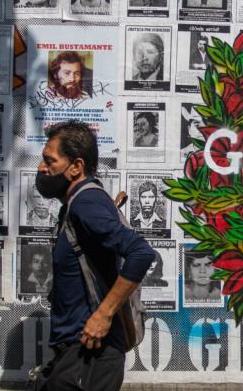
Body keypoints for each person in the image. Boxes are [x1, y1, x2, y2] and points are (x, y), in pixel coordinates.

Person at [34, 121, 153, 389]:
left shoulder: (86, 202)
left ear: (76, 166)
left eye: (49, 161)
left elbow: (141, 253)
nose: (42, 168)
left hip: (93, 351)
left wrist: (103, 314)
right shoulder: (74, 204)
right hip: (79, 351)